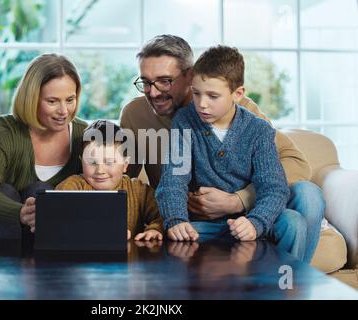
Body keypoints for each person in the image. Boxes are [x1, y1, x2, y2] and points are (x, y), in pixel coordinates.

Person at [120, 34, 324, 263]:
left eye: (165, 81)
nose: (153, 92)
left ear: (190, 75)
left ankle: (291, 281)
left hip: (249, 212)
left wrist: (239, 200)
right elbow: (129, 178)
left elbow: (292, 166)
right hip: (193, 218)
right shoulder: (139, 115)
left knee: (308, 196)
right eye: (146, 82)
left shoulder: (246, 115)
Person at [156, 45, 307, 259]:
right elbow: (173, 179)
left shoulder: (258, 130)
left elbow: (274, 188)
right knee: (171, 235)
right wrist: (176, 219)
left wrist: (256, 222)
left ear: (238, 94)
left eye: (213, 96)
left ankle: (285, 287)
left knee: (293, 222)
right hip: (206, 226)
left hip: (249, 223)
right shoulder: (184, 122)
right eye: (196, 93)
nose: (202, 104)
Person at [0, 53, 88, 241]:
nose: (64, 111)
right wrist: (20, 213)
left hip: (45, 233)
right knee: (6, 191)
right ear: (31, 98)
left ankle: (41, 268)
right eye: (52, 101)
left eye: (70, 100)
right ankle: (8, 270)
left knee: (41, 192)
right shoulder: (3, 132)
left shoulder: (85, 136)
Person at [55, 120, 163, 241]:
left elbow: (162, 215)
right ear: (81, 162)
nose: (100, 170)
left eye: (109, 162)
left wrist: (154, 229)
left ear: (125, 165)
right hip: (84, 255)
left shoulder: (138, 190)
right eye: (92, 162)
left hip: (127, 256)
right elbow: (55, 215)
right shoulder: (73, 186)